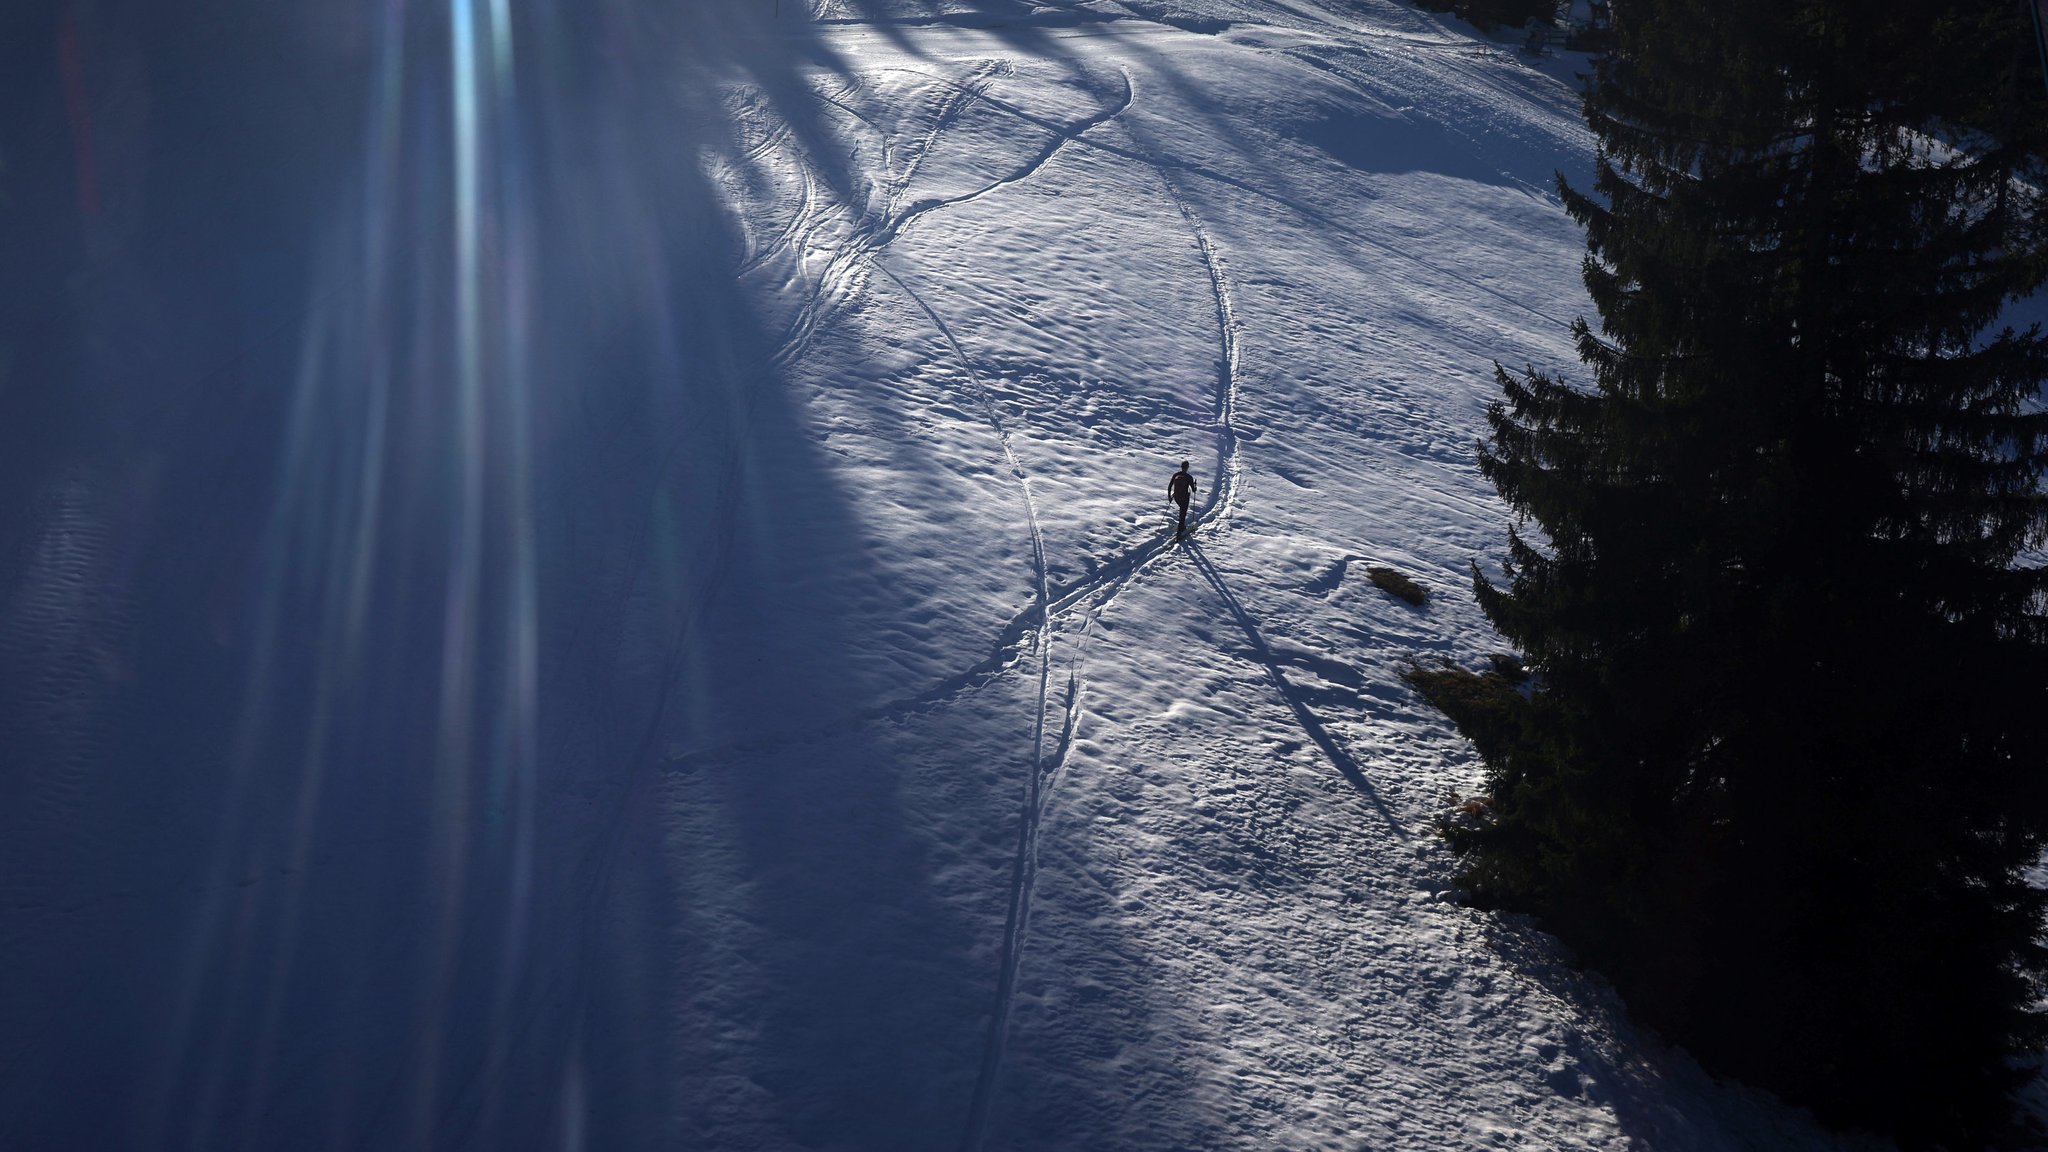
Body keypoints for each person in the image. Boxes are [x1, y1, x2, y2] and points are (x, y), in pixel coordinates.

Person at [1167, 460, 1197, 540]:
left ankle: (1182, 526)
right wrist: (1195, 486)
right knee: (1183, 513)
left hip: (1176, 497)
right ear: (1187, 467)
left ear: (1181, 466)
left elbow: (1170, 486)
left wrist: (1169, 496)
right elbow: (1193, 490)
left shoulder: (1176, 475)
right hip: (1185, 497)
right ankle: (1179, 534)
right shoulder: (1189, 477)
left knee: (1182, 510)